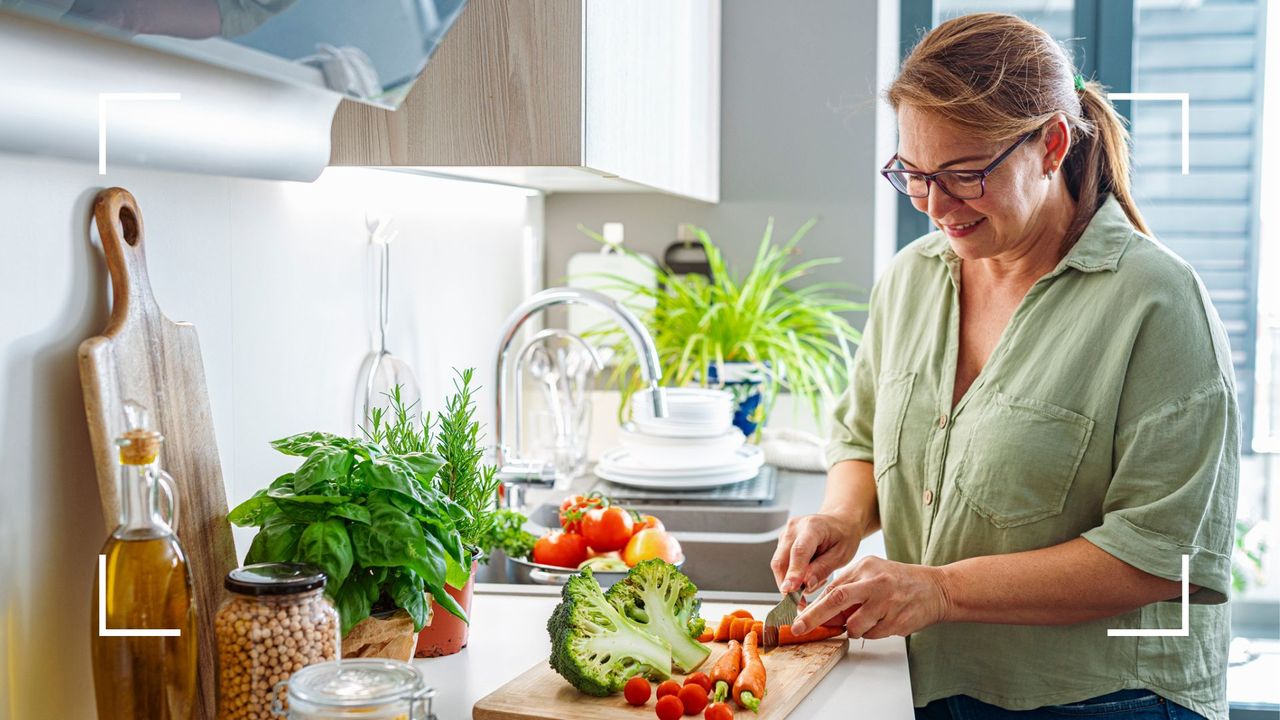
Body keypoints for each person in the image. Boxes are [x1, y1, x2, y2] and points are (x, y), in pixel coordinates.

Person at [771, 12, 1238, 720]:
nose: (934, 206)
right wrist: (841, 516)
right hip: (932, 682)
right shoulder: (912, 279)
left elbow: (1159, 557)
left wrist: (941, 589)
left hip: (1109, 701)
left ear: (1051, 144)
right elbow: (863, 437)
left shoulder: (1157, 302)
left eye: (964, 175)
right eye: (914, 174)